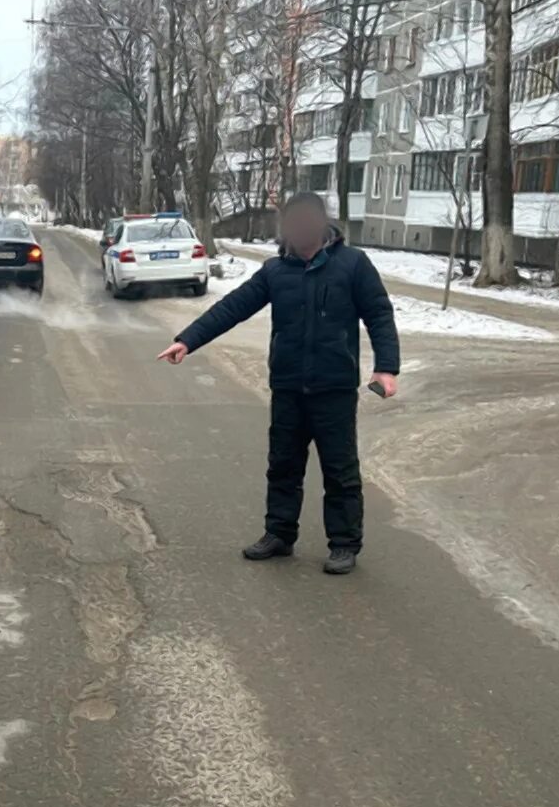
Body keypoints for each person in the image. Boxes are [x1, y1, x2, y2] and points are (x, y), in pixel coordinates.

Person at [156, 193, 401, 575]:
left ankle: (344, 544)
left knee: (340, 470)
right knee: (283, 466)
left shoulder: (352, 265)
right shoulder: (275, 270)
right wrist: (188, 339)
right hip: (288, 386)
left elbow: (379, 315)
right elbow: (232, 307)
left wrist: (386, 368)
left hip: (333, 388)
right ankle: (280, 534)